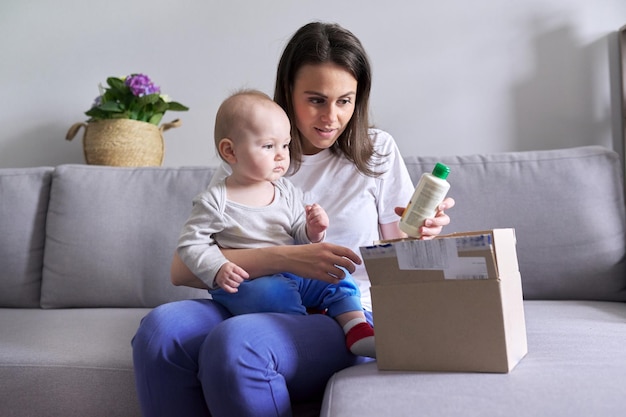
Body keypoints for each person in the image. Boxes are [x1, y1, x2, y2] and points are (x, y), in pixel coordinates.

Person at [132, 21, 455, 417]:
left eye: (345, 100)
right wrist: (286, 258)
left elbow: (399, 261)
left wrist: (423, 235)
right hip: (251, 298)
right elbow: (182, 268)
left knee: (239, 343)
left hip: (345, 315)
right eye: (316, 100)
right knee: (160, 332)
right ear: (288, 93)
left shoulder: (377, 151)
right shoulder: (252, 154)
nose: (331, 118)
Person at [177, 89, 376, 357]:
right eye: (269, 146)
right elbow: (191, 244)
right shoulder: (215, 200)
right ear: (230, 151)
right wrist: (217, 267)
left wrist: (312, 230)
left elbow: (297, 237)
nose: (282, 155)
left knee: (338, 276)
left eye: (285, 144)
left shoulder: (285, 190)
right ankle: (303, 327)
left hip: (293, 273)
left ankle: (356, 327)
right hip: (249, 282)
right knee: (273, 293)